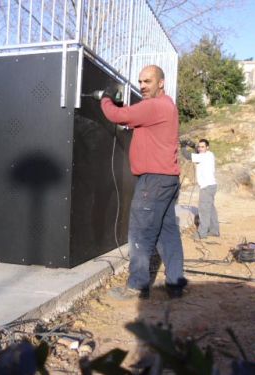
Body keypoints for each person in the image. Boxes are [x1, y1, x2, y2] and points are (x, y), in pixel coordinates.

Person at [98, 65, 187, 300]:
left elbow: (117, 116)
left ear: (161, 83)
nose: (142, 86)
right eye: (140, 82)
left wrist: (106, 98)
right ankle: (176, 283)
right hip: (167, 179)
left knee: (140, 233)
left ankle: (137, 285)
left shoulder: (154, 106)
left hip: (153, 181)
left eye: (148, 81)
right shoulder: (166, 106)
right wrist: (125, 111)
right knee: (168, 233)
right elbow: (132, 120)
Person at [181, 139, 219, 240]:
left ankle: (202, 233)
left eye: (203, 147)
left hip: (206, 187)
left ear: (207, 147)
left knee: (204, 210)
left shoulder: (203, 156)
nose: (200, 148)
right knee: (210, 208)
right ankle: (215, 230)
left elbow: (188, 156)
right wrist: (194, 146)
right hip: (212, 186)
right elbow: (198, 152)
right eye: (199, 146)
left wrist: (183, 146)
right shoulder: (210, 154)